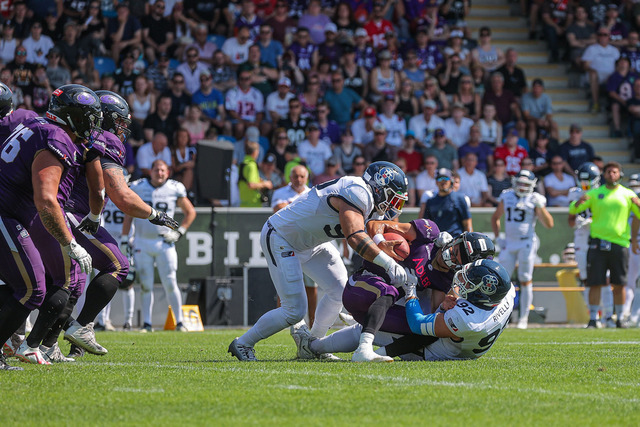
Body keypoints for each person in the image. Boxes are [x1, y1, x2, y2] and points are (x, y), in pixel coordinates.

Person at [43, 91, 180, 359]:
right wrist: (154, 214)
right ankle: (81, 327)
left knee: (71, 283)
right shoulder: (105, 140)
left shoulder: (80, 136)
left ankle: (46, 345)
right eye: (118, 121)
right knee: (117, 265)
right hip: (73, 213)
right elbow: (121, 196)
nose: (122, 128)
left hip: (57, 211)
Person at [228, 161, 410, 361]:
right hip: (282, 237)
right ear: (379, 187)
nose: (395, 205)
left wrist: (381, 242)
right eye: (393, 198)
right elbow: (355, 236)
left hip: (311, 242)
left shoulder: (370, 202)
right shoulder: (357, 191)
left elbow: (374, 227)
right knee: (294, 311)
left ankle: (312, 345)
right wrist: (388, 263)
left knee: (339, 291)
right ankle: (243, 343)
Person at [0, 84, 103, 368]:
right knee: (32, 288)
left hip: (10, 213)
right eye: (89, 118)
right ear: (73, 116)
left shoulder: (38, 124)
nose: (93, 125)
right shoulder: (55, 136)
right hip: (5, 214)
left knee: (29, 285)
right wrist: (70, 244)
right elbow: (46, 200)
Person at [293, 258, 513, 362]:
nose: (461, 280)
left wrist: (410, 291)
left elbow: (418, 324)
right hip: (461, 342)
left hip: (431, 349)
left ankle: (312, 347)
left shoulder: (466, 319)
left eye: (468, 282)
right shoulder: (507, 293)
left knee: (367, 330)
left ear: (482, 292)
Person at [121, 160, 196, 333]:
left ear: (168, 172)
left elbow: (190, 212)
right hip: (142, 241)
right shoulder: (138, 187)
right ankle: (147, 323)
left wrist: (180, 232)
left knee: (170, 282)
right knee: (145, 285)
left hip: (164, 242)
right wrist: (125, 239)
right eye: (156, 170)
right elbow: (129, 214)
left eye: (163, 170)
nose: (159, 173)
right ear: (151, 171)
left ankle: (180, 322)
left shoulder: (174, 188)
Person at [569, 161, 640, 328]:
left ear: (620, 175)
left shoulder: (628, 194)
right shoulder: (595, 193)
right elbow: (573, 210)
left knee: (619, 283)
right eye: (609, 172)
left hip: (620, 242)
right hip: (597, 242)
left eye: (615, 172)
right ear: (604, 175)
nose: (612, 175)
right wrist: (578, 202)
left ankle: (619, 317)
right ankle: (593, 318)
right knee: (595, 282)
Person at [491, 169, 554, 329]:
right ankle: (501, 318)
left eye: (525, 184)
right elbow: (495, 217)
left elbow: (549, 224)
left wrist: (540, 207)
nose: (521, 186)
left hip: (526, 243)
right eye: (519, 183)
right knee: (502, 280)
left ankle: (523, 318)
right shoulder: (507, 196)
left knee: (525, 280)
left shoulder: (535, 199)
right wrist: (498, 238)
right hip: (509, 243)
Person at [271, 165, 317, 327]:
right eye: (296, 176)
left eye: (302, 176)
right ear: (290, 177)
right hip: (286, 243)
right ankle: (280, 324)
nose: (299, 179)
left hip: (308, 245)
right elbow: (278, 209)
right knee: (284, 286)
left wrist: (291, 206)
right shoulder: (280, 192)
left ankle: (313, 323)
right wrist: (303, 209)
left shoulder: (313, 193)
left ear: (307, 178)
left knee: (311, 286)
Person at [423, 168, 472, 236]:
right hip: (437, 240)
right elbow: (426, 225)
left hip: (455, 239)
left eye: (446, 178)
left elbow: (467, 225)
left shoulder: (460, 199)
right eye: (440, 179)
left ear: (451, 181)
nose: (443, 181)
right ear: (436, 182)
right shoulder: (430, 202)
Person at [239, 141, 272, 207]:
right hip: (253, 203)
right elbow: (251, 185)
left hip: (243, 202)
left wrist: (258, 180)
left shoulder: (243, 164)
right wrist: (265, 184)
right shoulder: (252, 165)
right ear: (255, 152)